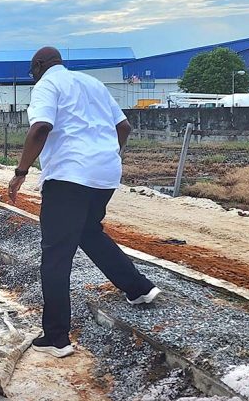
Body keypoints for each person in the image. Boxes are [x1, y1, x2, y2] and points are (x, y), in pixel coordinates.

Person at [8, 47, 161, 358]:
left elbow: (40, 128)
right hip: (104, 174)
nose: (33, 76)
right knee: (89, 232)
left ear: (38, 66)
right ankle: (139, 288)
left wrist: (20, 172)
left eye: (32, 71)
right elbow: (124, 127)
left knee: (55, 254)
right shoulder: (92, 83)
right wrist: (106, 155)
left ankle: (56, 337)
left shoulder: (47, 86)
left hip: (68, 176)